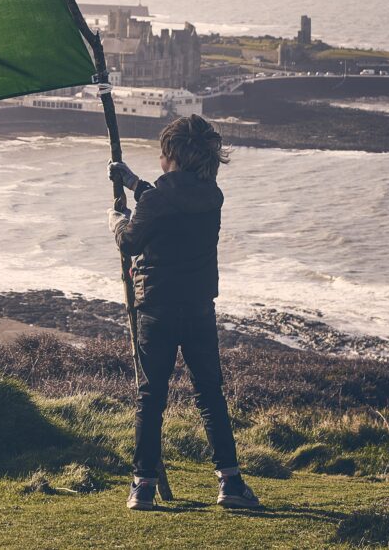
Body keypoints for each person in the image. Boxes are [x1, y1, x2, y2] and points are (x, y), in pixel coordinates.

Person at [106, 114, 261, 512]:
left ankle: (142, 487)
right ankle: (230, 482)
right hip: (198, 307)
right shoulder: (212, 196)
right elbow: (171, 203)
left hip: (155, 306)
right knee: (210, 394)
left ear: (172, 153)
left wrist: (116, 221)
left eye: (163, 150)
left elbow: (132, 242)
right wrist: (136, 184)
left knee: (151, 396)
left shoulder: (159, 198)